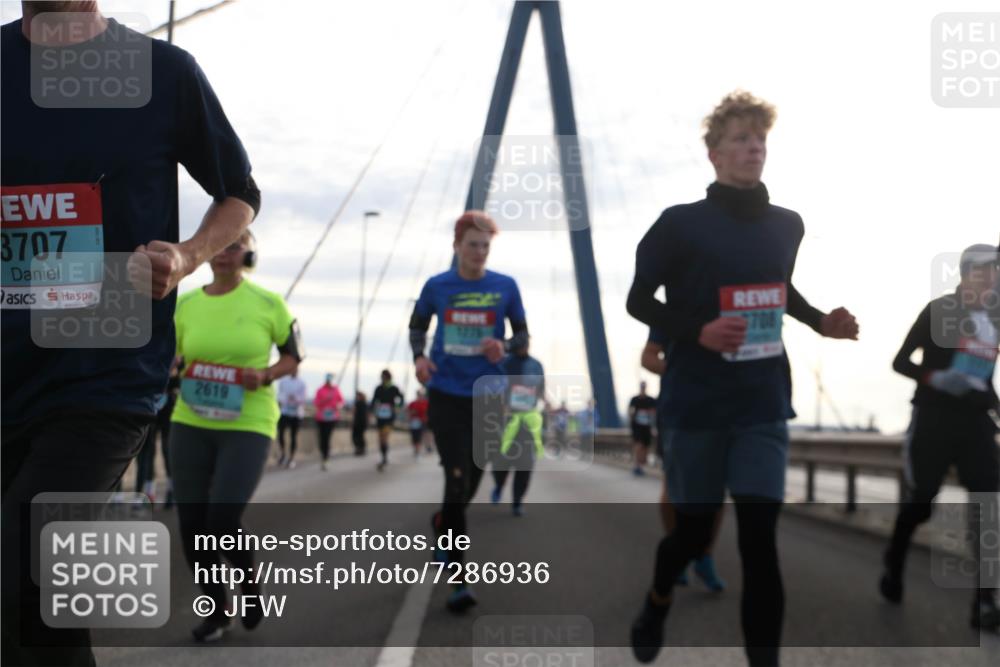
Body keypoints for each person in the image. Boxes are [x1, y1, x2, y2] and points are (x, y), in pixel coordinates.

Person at [1, 4, 259, 664]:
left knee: (29, 566)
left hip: (104, 377)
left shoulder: (162, 73)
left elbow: (239, 194)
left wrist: (189, 254)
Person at [625, 90, 860, 666]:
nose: (753, 148)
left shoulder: (787, 225)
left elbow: (780, 290)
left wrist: (819, 321)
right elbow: (638, 301)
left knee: (760, 543)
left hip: (761, 401)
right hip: (697, 402)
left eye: (760, 139)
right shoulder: (679, 225)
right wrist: (698, 330)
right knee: (691, 535)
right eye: (740, 139)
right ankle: (657, 600)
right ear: (714, 153)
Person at [170, 230, 304, 642]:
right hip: (190, 420)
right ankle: (217, 607)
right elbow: (170, 356)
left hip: (247, 422)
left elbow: (293, 357)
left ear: (248, 253)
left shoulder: (269, 303)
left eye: (235, 245)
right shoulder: (186, 304)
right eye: (220, 245)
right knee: (192, 524)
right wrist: (173, 366)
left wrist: (264, 374)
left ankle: (248, 586)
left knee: (222, 517)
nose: (226, 253)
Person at [409, 210, 529, 612]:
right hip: (446, 392)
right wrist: (419, 359)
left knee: (470, 485)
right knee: (456, 480)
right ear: (457, 246)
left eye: (485, 246)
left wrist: (506, 347)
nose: (479, 252)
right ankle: (460, 582)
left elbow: (523, 336)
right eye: (472, 244)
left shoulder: (505, 286)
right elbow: (417, 326)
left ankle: (443, 523)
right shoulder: (437, 286)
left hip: (489, 395)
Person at [881, 243, 999, 629]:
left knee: (987, 509)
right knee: (922, 504)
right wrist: (936, 378)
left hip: (976, 425)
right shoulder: (938, 311)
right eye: (984, 271)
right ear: (966, 274)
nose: (992, 278)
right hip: (933, 419)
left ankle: (984, 604)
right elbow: (901, 362)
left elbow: (983, 378)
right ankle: (893, 565)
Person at [642, 330, 725, 591]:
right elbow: (648, 357)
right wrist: (682, 372)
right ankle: (677, 551)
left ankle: (705, 556)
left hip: (720, 408)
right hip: (678, 411)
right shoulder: (671, 310)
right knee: (673, 486)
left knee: (717, 489)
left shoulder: (727, 299)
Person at [491, 338, 545, 516]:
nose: (524, 346)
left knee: (525, 464)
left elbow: (541, 389)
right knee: (501, 461)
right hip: (505, 420)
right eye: (520, 343)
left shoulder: (536, 365)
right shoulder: (504, 363)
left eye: (526, 342)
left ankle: (517, 502)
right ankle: (499, 485)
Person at [134, 356, 182, 505]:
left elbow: (180, 379)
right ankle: (147, 493)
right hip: (150, 406)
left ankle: (171, 491)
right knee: (148, 452)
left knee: (167, 450)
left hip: (168, 406)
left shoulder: (175, 348)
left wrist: (175, 370)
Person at [371, 369, 404, 471]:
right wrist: (372, 411)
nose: (383, 378)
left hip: (389, 416)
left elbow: (401, 398)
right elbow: (373, 401)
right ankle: (383, 455)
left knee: (385, 436)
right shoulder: (378, 388)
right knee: (381, 438)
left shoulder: (394, 388)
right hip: (380, 416)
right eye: (382, 376)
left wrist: (397, 407)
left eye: (384, 376)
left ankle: (384, 457)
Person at [276, 369, 307, 468]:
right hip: (284, 412)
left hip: (296, 414)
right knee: (281, 433)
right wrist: (285, 399)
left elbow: (303, 398)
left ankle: (291, 458)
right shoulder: (283, 381)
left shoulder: (302, 383)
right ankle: (283, 453)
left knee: (293, 436)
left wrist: (295, 398)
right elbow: (280, 395)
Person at [314, 373, 344, 470]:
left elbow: (341, 402)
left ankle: (325, 458)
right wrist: (325, 400)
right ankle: (324, 454)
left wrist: (338, 406)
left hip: (332, 418)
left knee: (327, 437)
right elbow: (316, 403)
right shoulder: (320, 390)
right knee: (322, 438)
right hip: (321, 418)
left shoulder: (336, 390)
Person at [628, 382, 657, 476]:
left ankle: (641, 465)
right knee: (639, 445)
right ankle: (637, 466)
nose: (643, 388)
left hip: (647, 427)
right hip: (637, 427)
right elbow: (630, 411)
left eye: (644, 387)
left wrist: (654, 426)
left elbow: (654, 413)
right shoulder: (634, 399)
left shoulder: (651, 400)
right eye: (642, 387)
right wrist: (632, 420)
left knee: (646, 446)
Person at [407, 389, 431, 457]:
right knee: (415, 436)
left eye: (421, 395)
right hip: (414, 422)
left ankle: (425, 447)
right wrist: (412, 414)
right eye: (419, 394)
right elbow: (409, 412)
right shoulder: (412, 403)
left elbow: (429, 412)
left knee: (423, 435)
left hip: (423, 421)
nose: (420, 396)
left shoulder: (426, 403)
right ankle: (417, 448)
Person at [351, 391, 369, 456]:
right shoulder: (365, 404)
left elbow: (354, 412)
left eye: (358, 396)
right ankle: (360, 449)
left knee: (357, 436)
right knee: (359, 436)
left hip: (359, 423)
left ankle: (360, 449)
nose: (357, 397)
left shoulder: (359, 403)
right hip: (361, 423)